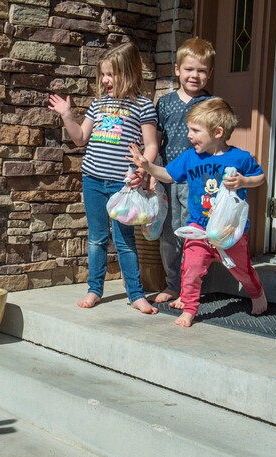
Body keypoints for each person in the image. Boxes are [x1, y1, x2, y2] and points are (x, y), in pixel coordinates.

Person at [128, 98, 268, 327]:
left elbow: (260, 178)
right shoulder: (190, 157)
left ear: (218, 132)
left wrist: (244, 181)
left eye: (195, 130)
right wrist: (146, 166)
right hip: (198, 228)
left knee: (242, 271)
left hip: (229, 230)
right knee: (191, 269)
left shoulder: (240, 158)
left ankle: (256, 293)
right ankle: (190, 309)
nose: (189, 135)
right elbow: (168, 175)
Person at [48, 42, 159, 314]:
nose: (106, 80)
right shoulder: (98, 104)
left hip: (123, 186)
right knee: (97, 238)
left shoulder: (143, 106)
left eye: (112, 74)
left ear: (130, 72)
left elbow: (152, 145)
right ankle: (94, 290)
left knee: (124, 241)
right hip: (93, 180)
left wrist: (144, 170)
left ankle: (136, 294)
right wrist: (66, 116)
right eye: (103, 75)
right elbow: (79, 138)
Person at [154, 37, 215, 305]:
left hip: (199, 181)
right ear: (177, 69)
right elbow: (155, 140)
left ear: (209, 73)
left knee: (196, 232)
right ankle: (172, 284)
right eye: (189, 69)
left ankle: (194, 286)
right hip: (169, 177)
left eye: (202, 70)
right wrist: (149, 173)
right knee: (170, 233)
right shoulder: (165, 103)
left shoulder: (212, 104)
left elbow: (219, 143)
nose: (195, 75)